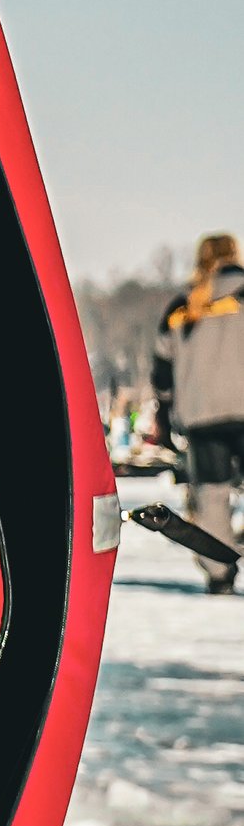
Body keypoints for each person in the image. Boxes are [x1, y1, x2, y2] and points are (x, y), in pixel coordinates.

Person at [151, 233, 244, 585]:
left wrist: (164, 412)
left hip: (202, 416)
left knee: (212, 498)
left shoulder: (181, 308)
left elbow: (161, 371)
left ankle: (219, 570)